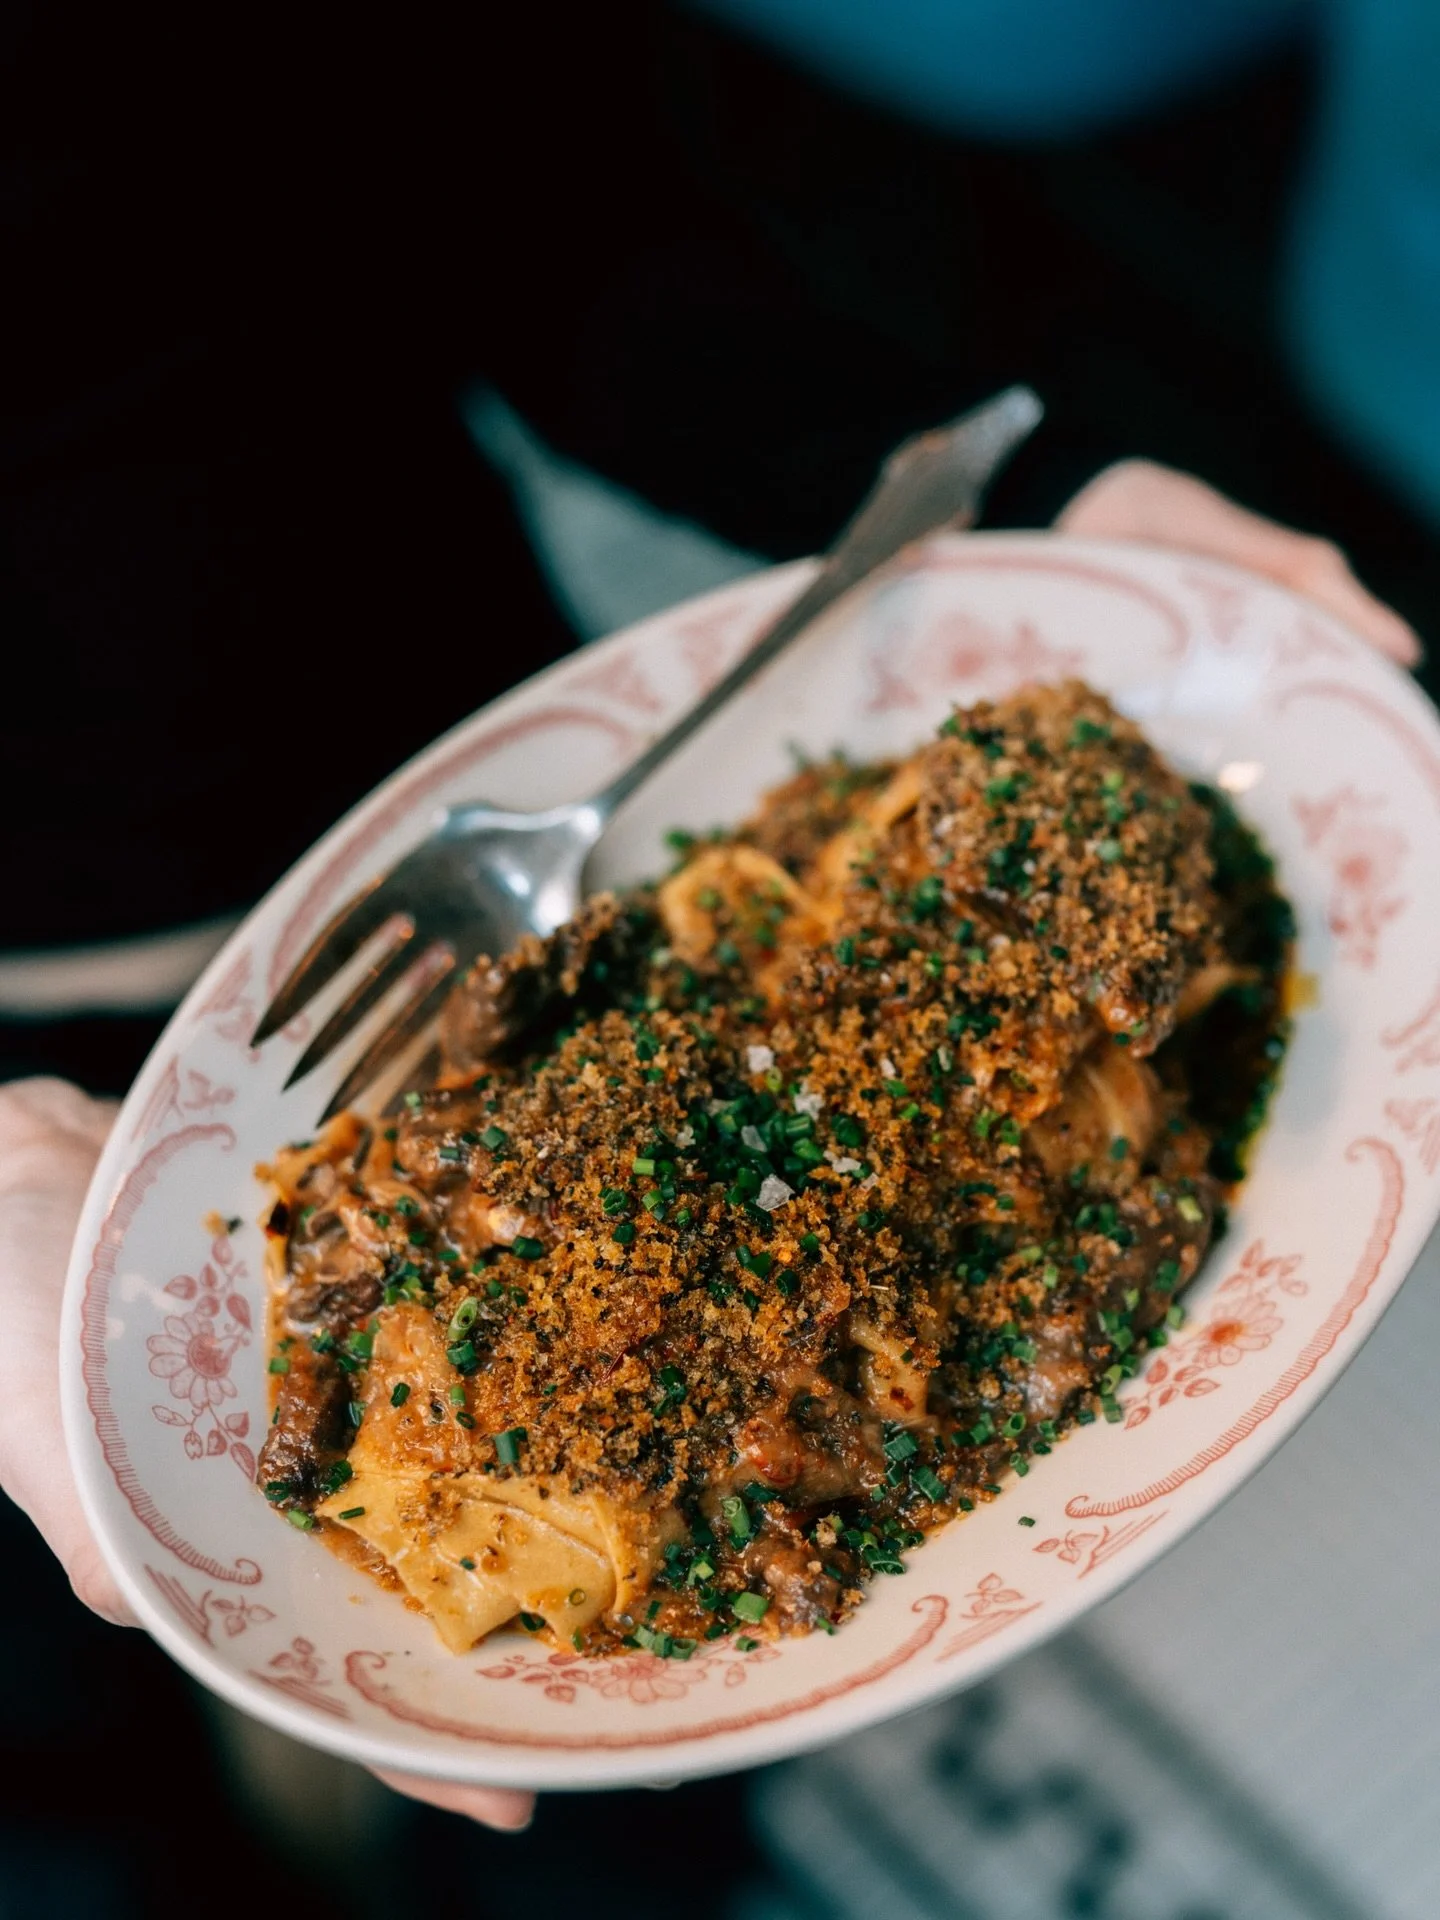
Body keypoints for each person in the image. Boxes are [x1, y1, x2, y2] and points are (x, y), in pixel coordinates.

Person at [0, 0, 1426, 1860]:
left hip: (514, 874)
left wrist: (1024, 510)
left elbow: (535, 191)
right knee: (74, 1743)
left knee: (623, 1824)